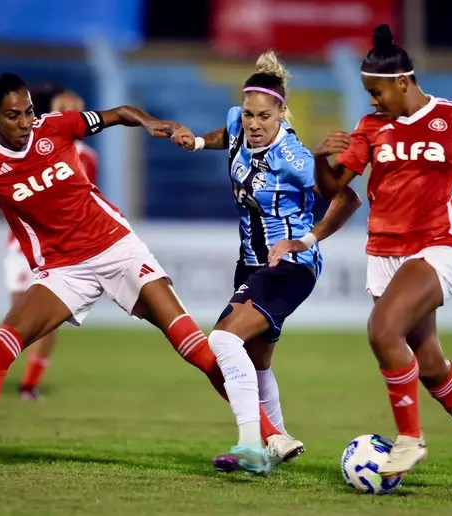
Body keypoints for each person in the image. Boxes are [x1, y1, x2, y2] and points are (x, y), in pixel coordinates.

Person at [0, 61, 290, 475]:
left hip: (117, 248)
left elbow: (118, 113)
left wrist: (150, 122)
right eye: (14, 115)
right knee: (1, 346)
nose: (27, 121)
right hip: (65, 270)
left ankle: (271, 435)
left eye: (29, 110)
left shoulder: (57, 127)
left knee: (192, 345)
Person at [311, 24, 452, 486]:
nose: (371, 101)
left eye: (376, 91)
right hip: (385, 253)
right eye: (366, 93)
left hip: (437, 246)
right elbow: (335, 189)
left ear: (403, 82)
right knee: (429, 363)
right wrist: (322, 159)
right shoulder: (370, 127)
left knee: (382, 330)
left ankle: (409, 439)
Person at [173, 50, 362, 476]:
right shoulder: (239, 124)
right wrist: (201, 142)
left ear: (281, 113)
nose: (254, 124)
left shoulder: (294, 158)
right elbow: (229, 134)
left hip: (290, 265)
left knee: (221, 342)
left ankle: (251, 445)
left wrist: (304, 240)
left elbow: (347, 198)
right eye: (249, 114)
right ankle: (278, 442)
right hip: (251, 263)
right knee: (257, 366)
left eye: (264, 116)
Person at [12, 90, 99, 400]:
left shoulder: (86, 156)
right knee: (18, 316)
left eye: (76, 109)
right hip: (21, 244)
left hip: (57, 247)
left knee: (44, 319)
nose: (69, 114)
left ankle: (29, 384)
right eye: (63, 108)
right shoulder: (27, 146)